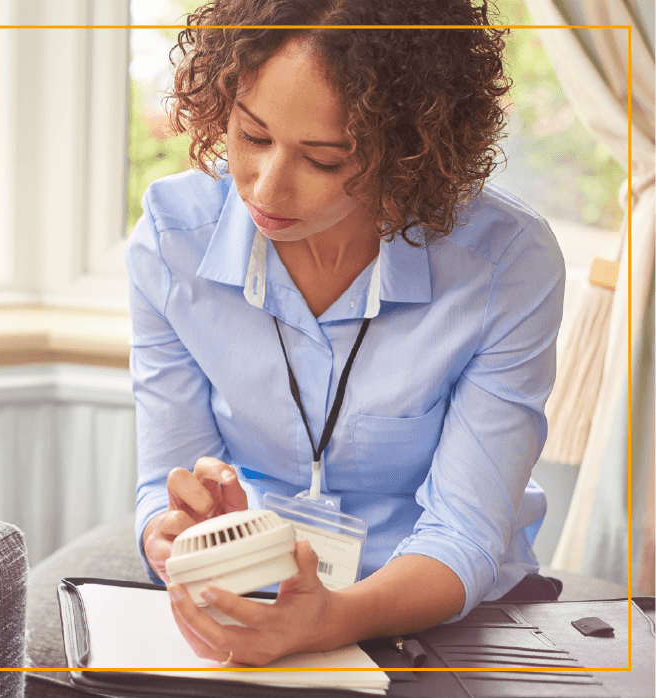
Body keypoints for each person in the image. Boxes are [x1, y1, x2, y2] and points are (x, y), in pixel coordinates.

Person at [130, 0, 566, 666]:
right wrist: (172, 529)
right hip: (253, 593)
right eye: (252, 136)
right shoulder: (171, 242)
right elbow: (164, 482)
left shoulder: (505, 261)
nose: (267, 191)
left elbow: (467, 534)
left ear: (413, 151)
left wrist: (332, 619)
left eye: (325, 161)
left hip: (446, 610)